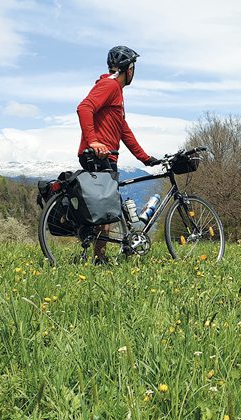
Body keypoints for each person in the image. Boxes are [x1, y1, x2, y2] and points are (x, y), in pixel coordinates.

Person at [76, 45, 161, 263]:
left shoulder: (116, 92)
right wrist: (94, 140)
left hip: (107, 155)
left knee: (105, 207)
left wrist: (145, 158)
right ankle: (99, 258)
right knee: (105, 209)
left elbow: (123, 129)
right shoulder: (110, 85)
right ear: (129, 69)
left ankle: (99, 256)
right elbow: (84, 108)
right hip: (100, 155)